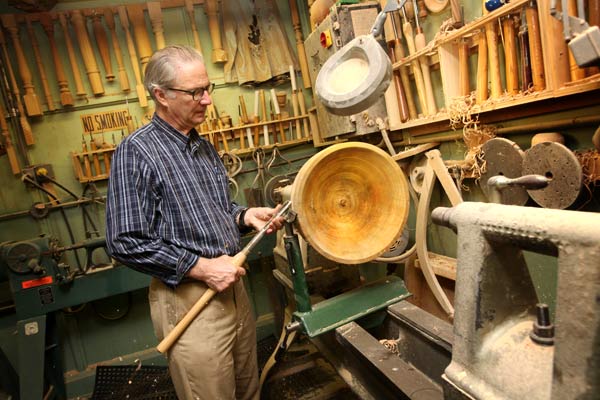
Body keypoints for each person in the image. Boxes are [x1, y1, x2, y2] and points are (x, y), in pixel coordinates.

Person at [106, 45, 284, 400]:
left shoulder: (201, 146)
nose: (206, 100)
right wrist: (201, 268)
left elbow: (215, 209)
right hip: (190, 297)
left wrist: (243, 216)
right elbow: (125, 240)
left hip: (232, 287)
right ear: (161, 95)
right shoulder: (136, 151)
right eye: (195, 92)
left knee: (247, 387)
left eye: (208, 89)